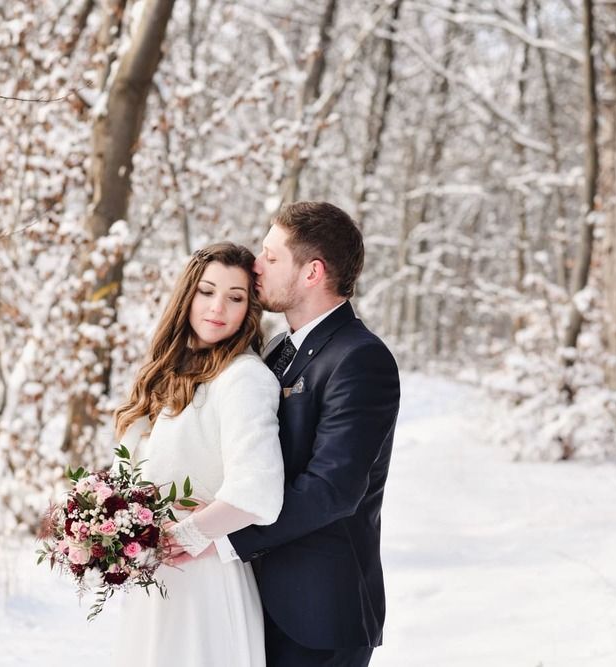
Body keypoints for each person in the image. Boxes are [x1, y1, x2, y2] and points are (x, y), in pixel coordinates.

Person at [218, 201, 401, 667]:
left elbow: (332, 489)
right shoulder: (281, 347)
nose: (255, 266)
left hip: (318, 616)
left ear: (312, 272)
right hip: (264, 604)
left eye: (271, 256)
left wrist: (223, 537)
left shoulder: (360, 358)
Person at [110, 242, 284, 667]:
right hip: (154, 578)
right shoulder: (165, 372)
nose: (217, 307)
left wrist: (186, 535)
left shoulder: (244, 378)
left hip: (203, 581)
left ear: (250, 308)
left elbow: (258, 491)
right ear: (187, 294)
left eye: (235, 297)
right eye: (207, 291)